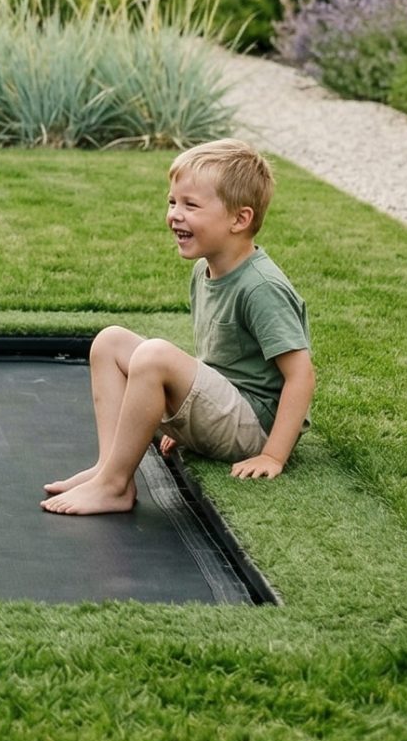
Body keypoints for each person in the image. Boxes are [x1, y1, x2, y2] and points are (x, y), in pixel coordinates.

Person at [43, 139, 316, 516]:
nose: (175, 215)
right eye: (173, 202)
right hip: (226, 408)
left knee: (154, 355)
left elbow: (301, 376)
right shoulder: (204, 270)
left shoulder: (261, 286)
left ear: (240, 219)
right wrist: (194, 416)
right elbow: (218, 361)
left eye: (191, 205)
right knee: (110, 342)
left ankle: (114, 486)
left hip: (254, 428)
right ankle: (109, 469)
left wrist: (272, 454)